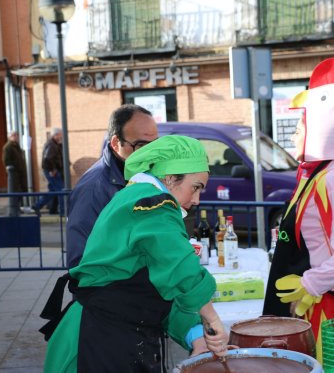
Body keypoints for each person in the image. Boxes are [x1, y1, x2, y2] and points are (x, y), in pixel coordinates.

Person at [41, 135, 229, 373]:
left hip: (115, 335)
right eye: (195, 188)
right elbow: (180, 269)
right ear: (170, 178)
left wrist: (195, 335)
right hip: (97, 341)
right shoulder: (151, 205)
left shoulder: (140, 200)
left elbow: (161, 287)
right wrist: (211, 318)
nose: (196, 200)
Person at [263, 58, 334, 364]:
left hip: (330, 308)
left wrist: (309, 284)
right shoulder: (317, 175)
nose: (292, 136)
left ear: (319, 129)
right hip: (319, 302)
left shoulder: (332, 180)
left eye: (300, 127)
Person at [66, 104, 158, 269]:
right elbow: (80, 262)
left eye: (155, 145)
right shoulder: (93, 189)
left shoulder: (144, 176)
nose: (151, 154)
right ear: (116, 143)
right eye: (141, 146)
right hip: (111, 291)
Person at [33, 128, 64, 215]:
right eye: (60, 135)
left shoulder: (55, 144)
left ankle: (38, 205)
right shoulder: (51, 145)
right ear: (55, 135)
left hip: (52, 170)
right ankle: (63, 211)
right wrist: (52, 170)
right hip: (52, 171)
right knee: (61, 190)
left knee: (53, 191)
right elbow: (48, 158)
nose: (61, 137)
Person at [2, 130, 28, 216]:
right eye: (14, 135)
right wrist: (11, 168)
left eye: (17, 135)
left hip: (20, 173)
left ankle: (18, 208)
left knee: (21, 191)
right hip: (15, 173)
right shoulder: (8, 147)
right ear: (9, 137)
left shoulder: (17, 146)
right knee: (16, 191)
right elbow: (6, 160)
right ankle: (15, 209)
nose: (16, 137)